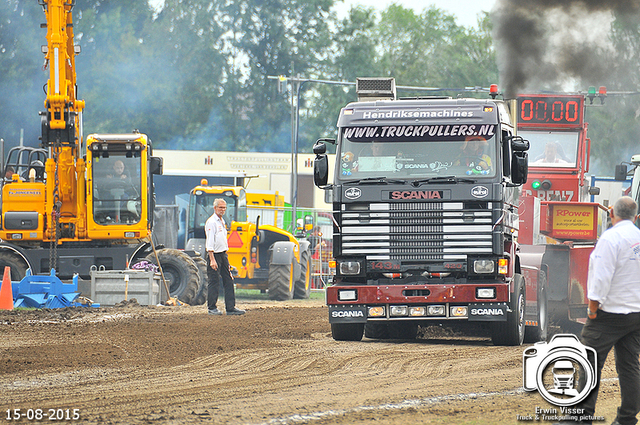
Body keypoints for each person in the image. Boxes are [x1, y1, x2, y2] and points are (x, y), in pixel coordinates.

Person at [565, 196, 640, 425]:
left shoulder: (610, 238)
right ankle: (627, 418)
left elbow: (601, 277)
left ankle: (581, 417)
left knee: (589, 362)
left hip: (609, 314)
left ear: (611, 213)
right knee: (629, 366)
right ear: (636, 217)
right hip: (636, 314)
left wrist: (592, 309)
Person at [205, 198, 245, 316]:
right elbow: (210, 242)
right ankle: (212, 308)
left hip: (223, 254)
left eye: (224, 208)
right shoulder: (212, 222)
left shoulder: (222, 221)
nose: (223, 210)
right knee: (214, 281)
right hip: (214, 255)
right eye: (220, 207)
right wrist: (212, 259)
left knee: (229, 280)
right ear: (215, 208)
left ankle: (230, 307)